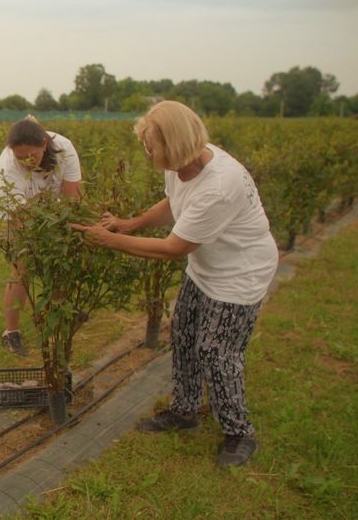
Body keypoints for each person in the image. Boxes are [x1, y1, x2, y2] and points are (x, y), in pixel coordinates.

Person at [71, 100, 278, 468]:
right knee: (183, 334)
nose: (148, 151)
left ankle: (238, 432)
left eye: (152, 145)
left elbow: (174, 248)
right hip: (207, 268)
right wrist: (130, 223)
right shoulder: (181, 165)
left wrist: (112, 241)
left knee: (216, 351)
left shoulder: (219, 185)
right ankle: (184, 413)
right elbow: (172, 203)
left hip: (239, 274)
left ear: (177, 141)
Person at [0, 116, 81, 356]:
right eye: (20, 157)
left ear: (44, 145)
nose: (27, 162)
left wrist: (68, 231)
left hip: (46, 204)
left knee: (62, 256)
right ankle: (11, 332)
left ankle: (59, 313)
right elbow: (25, 224)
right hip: (7, 214)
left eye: (32, 156)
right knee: (23, 266)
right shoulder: (6, 175)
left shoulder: (65, 149)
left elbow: (72, 198)